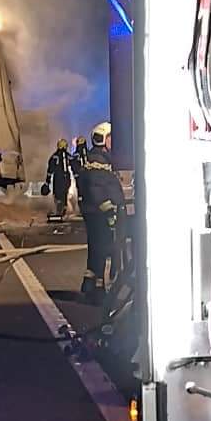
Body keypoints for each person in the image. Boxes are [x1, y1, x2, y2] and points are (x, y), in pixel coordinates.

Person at [75, 121, 123, 303]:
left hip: (93, 212)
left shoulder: (96, 158)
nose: (113, 142)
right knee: (104, 248)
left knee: (96, 248)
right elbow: (97, 189)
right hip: (100, 213)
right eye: (110, 138)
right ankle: (99, 288)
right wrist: (109, 211)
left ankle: (90, 283)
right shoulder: (98, 161)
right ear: (103, 139)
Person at [43, 137, 73, 220]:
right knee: (64, 194)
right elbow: (74, 164)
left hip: (58, 179)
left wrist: (47, 182)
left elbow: (50, 171)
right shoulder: (68, 156)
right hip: (67, 178)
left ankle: (59, 210)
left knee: (57, 195)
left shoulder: (54, 157)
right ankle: (63, 208)